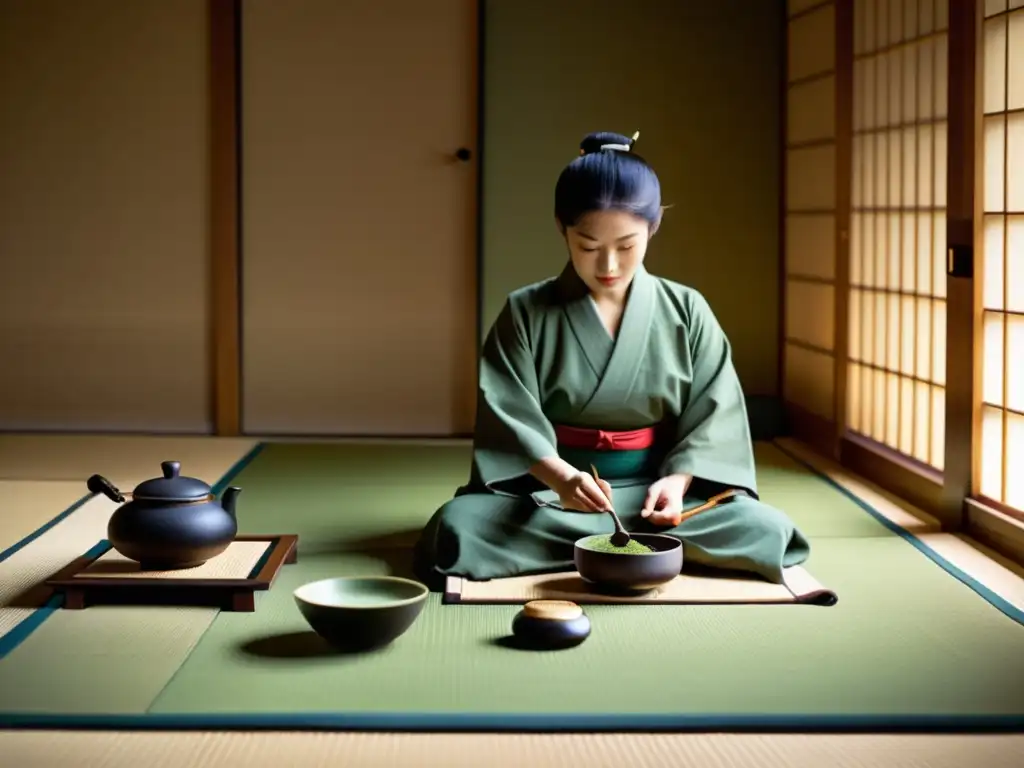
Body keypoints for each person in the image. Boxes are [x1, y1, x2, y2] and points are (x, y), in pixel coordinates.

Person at [413, 130, 810, 587]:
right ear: (563, 228)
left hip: (655, 494)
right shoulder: (525, 311)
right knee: (458, 529)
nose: (608, 266)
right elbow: (509, 418)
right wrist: (564, 479)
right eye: (587, 246)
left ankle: (612, 541)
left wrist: (677, 483)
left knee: (768, 531)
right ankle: (635, 546)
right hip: (551, 497)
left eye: (626, 246)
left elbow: (713, 413)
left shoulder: (687, 309)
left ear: (653, 226)